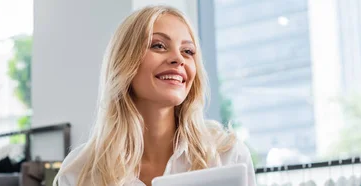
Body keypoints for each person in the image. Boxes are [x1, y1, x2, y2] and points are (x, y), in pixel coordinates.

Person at [54, 5, 256, 186]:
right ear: (125, 61)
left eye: (187, 51)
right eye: (158, 45)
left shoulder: (227, 155)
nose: (178, 59)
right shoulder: (79, 171)